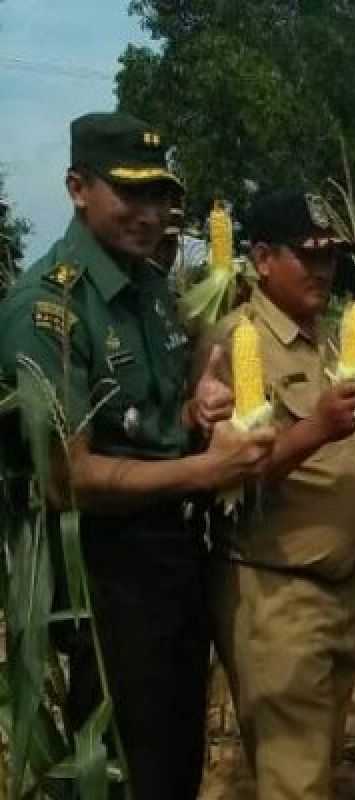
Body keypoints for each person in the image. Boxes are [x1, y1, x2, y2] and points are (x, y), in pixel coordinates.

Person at [0, 111, 274, 798]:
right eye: (131, 194)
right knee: (127, 770)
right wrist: (208, 469)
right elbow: (72, 477)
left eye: (160, 196)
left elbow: (148, 419)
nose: (151, 214)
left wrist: (192, 411)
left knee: (174, 761)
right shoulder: (50, 309)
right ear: (76, 188)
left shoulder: (151, 290)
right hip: (106, 580)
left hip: (174, 563)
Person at [207, 190, 355, 798]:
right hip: (279, 595)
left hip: (339, 592)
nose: (323, 270)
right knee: (294, 783)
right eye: (307, 256)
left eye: (329, 256)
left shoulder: (324, 338)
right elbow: (229, 475)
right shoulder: (237, 341)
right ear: (260, 258)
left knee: (313, 772)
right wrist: (318, 427)